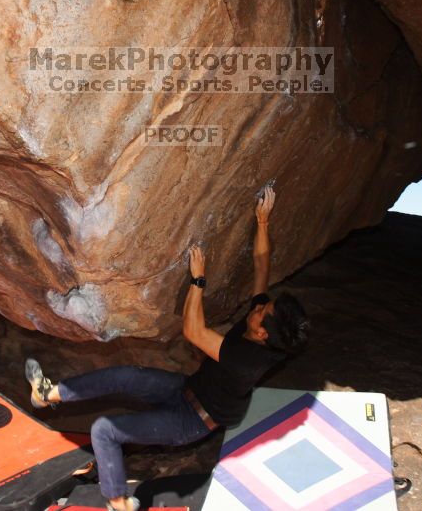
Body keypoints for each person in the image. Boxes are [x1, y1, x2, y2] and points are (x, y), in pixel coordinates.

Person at [25, 185, 310, 511]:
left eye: (262, 311)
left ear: (262, 334)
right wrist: (262, 221)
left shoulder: (247, 359)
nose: (258, 307)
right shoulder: (265, 330)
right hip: (188, 389)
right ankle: (48, 394)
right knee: (124, 376)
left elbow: (193, 331)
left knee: (105, 430)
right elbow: (262, 265)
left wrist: (198, 281)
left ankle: (117, 500)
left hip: (192, 420)